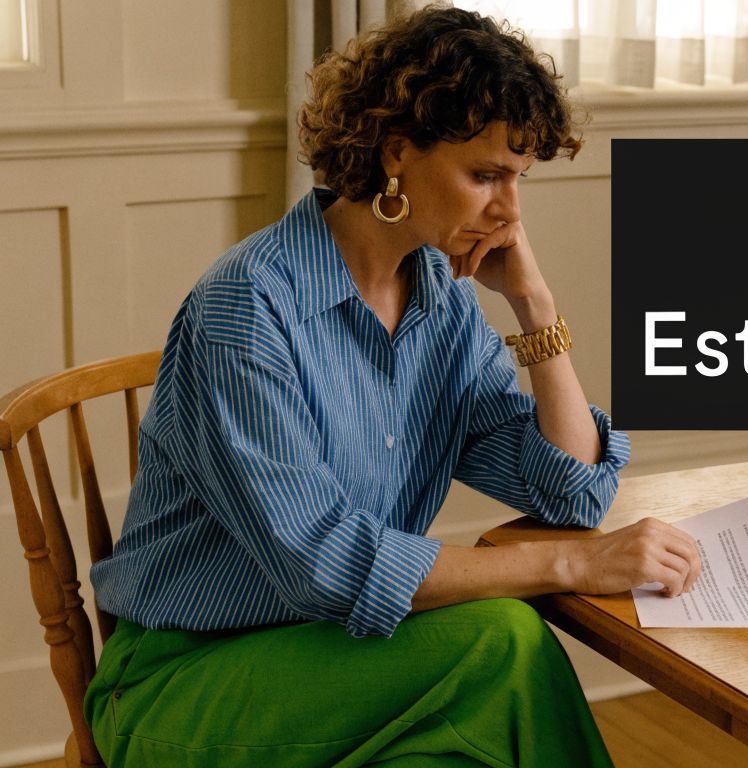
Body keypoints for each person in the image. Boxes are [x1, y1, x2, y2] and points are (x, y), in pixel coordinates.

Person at [83, 5, 701, 766]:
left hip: (354, 664)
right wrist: (570, 566)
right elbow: (327, 566)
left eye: (519, 179)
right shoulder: (247, 309)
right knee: (503, 639)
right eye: (486, 176)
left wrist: (534, 306)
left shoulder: (439, 297)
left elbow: (572, 493)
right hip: (184, 681)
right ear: (396, 151)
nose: (510, 210)